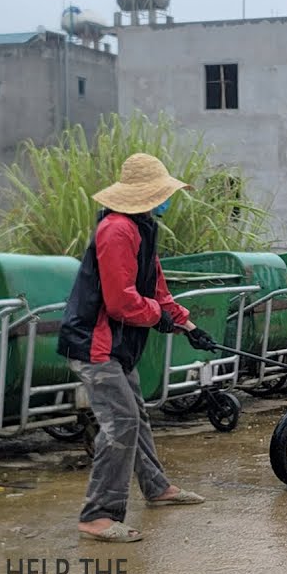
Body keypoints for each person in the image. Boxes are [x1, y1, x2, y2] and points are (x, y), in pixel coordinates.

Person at [58, 153, 222, 543]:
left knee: (136, 416)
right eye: (163, 193)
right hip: (95, 344)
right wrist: (159, 317)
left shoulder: (142, 228)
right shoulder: (116, 230)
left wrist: (187, 324)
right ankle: (97, 515)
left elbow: (157, 291)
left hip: (118, 346)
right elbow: (120, 302)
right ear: (148, 195)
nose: (168, 200)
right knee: (122, 422)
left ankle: (157, 487)